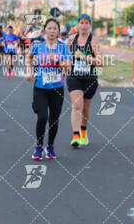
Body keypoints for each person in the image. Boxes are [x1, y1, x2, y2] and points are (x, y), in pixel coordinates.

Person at [26, 18, 72, 160]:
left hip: (57, 89)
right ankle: (39, 146)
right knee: (42, 117)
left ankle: (50, 146)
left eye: (55, 28)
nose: (52, 31)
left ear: (58, 32)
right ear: (45, 30)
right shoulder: (38, 46)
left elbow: (69, 66)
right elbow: (29, 58)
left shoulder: (63, 47)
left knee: (54, 119)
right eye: (49, 28)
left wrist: (57, 60)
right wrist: (29, 71)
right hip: (40, 87)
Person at [66, 14, 102, 148]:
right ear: (77, 25)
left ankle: (83, 131)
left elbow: (100, 62)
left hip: (90, 77)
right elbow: (66, 56)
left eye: (87, 23)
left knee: (86, 107)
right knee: (77, 105)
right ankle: (75, 136)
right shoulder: (71, 40)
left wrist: (85, 57)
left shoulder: (94, 41)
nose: (84, 25)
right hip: (74, 76)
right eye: (81, 22)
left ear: (90, 25)